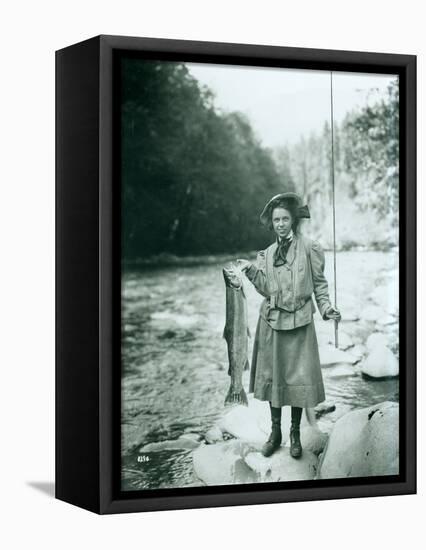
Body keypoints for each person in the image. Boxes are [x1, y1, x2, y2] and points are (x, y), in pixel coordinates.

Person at [237, 192, 341, 459]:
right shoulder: (267, 254)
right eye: (276, 220)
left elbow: (319, 285)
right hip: (271, 323)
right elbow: (265, 289)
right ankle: (275, 433)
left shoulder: (310, 248)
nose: (280, 223)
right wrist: (250, 270)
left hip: (301, 323)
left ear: (293, 221)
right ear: (271, 224)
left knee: (298, 380)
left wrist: (327, 308)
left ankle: (294, 432)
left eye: (285, 219)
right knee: (275, 378)